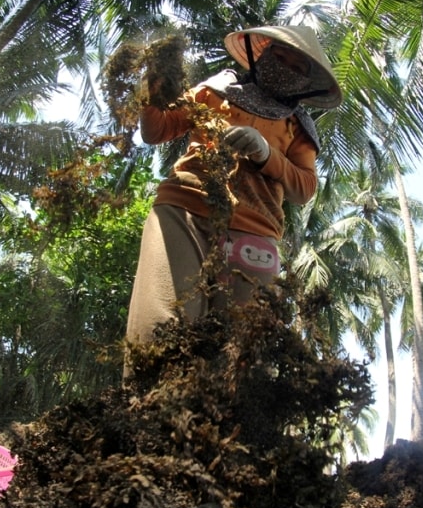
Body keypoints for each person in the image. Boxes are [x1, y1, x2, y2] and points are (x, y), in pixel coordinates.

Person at [124, 24, 342, 367]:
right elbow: (158, 130)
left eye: (297, 67)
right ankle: (146, 414)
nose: (285, 66)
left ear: (308, 83)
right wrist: (151, 90)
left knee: (242, 353)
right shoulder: (217, 88)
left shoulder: (298, 127)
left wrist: (267, 153)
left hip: (254, 232)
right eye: (279, 56)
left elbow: (304, 188)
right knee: (159, 330)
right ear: (262, 53)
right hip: (184, 210)